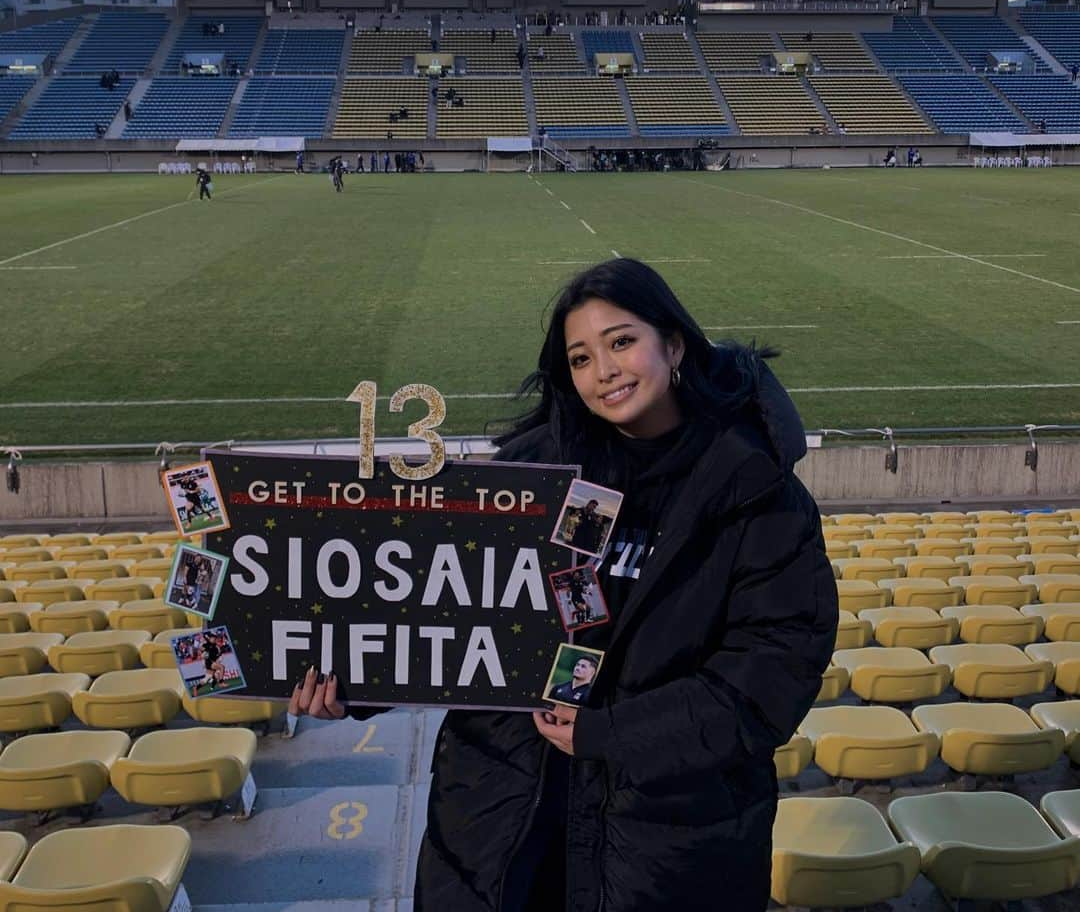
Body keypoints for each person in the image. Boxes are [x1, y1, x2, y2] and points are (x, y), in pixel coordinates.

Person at [292, 257, 836, 912]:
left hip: (662, 844)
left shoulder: (759, 494)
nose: (602, 371)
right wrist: (354, 685)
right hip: (499, 826)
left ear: (674, 343)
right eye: (580, 358)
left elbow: (764, 685)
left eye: (621, 342)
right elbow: (446, 619)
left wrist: (605, 732)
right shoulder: (526, 477)